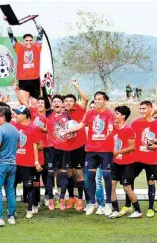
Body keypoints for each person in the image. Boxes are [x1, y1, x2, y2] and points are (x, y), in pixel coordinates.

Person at [65, 91, 115, 216]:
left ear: (105, 100)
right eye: (96, 99)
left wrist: (110, 129)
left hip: (105, 150)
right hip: (91, 150)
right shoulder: (90, 113)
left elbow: (110, 126)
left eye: (99, 99)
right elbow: (80, 125)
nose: (97, 101)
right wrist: (67, 130)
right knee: (89, 177)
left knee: (107, 177)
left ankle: (108, 204)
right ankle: (91, 203)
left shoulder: (109, 114)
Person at [130, 101, 157, 218]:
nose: (142, 111)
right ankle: (129, 205)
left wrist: (156, 145)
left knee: (150, 182)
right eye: (140, 109)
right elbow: (130, 137)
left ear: (151, 109)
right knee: (129, 180)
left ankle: (150, 208)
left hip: (151, 159)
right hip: (136, 158)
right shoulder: (135, 123)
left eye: (144, 109)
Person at [109, 105, 142, 219]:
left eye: (117, 114)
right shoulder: (114, 128)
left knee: (127, 188)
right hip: (115, 163)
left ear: (123, 116)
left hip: (127, 164)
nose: (114, 115)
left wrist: (119, 152)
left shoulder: (128, 129)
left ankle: (138, 210)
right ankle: (116, 210)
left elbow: (132, 147)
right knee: (111, 185)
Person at [12, 105, 43, 219]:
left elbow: (36, 146)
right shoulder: (13, 125)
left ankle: (29, 209)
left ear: (24, 115)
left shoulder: (34, 128)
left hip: (28, 163)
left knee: (29, 186)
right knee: (12, 186)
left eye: (17, 113)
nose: (15, 115)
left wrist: (36, 161)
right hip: (15, 162)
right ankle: (12, 209)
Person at [5, 16, 44, 106]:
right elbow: (11, 36)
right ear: (23, 41)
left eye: (30, 40)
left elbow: (40, 33)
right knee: (24, 104)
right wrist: (7, 22)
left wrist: (34, 20)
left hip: (35, 80)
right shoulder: (19, 48)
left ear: (33, 40)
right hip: (23, 80)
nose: (29, 42)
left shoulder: (37, 47)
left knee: (35, 105)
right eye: (26, 40)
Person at [45, 95, 75, 211]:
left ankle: (62, 198)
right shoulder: (49, 115)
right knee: (50, 174)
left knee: (63, 174)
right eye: (54, 101)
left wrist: (71, 134)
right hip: (51, 149)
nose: (56, 103)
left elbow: (73, 132)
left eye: (59, 101)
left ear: (62, 105)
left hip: (64, 149)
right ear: (52, 104)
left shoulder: (67, 117)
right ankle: (51, 199)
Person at [63, 80, 89, 212]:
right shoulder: (61, 114)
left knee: (79, 173)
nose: (67, 103)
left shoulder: (79, 110)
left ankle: (80, 199)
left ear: (74, 102)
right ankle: (71, 197)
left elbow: (85, 98)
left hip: (79, 146)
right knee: (69, 173)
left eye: (70, 101)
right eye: (65, 101)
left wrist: (76, 85)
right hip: (66, 148)